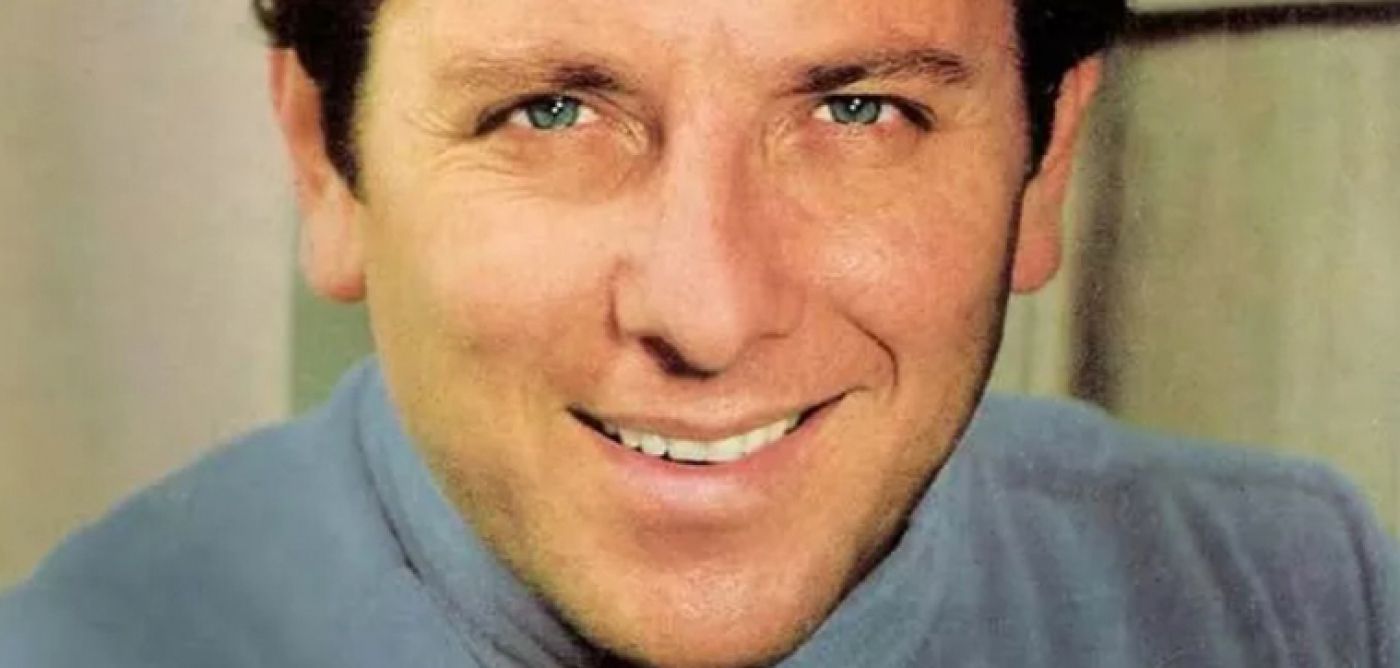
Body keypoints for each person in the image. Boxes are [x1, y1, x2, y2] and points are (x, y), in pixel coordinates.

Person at [2, 0, 1396, 665]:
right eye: (552, 110)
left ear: (1045, 166)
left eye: (860, 110)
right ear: (326, 163)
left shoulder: (1292, 601)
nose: (709, 314)